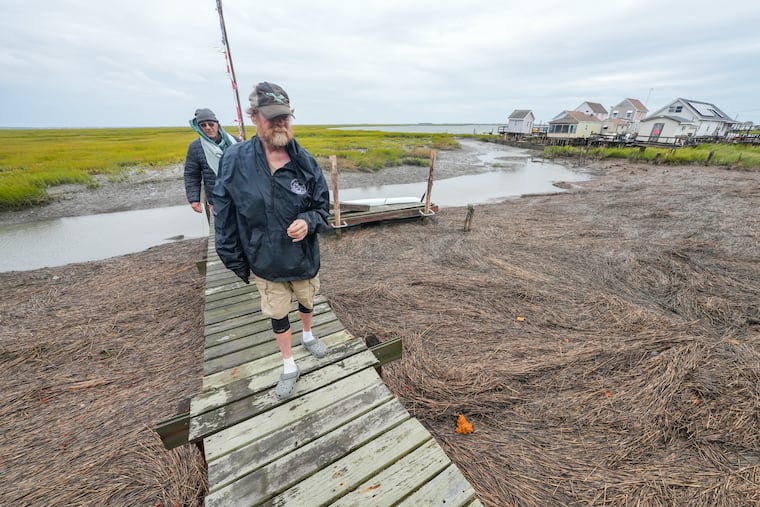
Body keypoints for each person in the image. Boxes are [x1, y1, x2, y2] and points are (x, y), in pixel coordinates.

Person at [212, 82, 331, 400]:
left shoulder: (304, 161)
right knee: (278, 313)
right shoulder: (234, 159)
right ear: (253, 117)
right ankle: (289, 364)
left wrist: (307, 222)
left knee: (307, 300)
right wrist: (236, 262)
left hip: (303, 257)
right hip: (263, 261)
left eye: (285, 117)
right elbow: (223, 216)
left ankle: (307, 334)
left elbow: (322, 209)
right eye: (271, 117)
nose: (280, 123)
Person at [183, 108, 238, 217]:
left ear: (217, 124)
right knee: (225, 230)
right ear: (198, 128)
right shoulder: (195, 147)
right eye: (203, 125)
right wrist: (194, 199)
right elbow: (192, 175)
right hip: (217, 198)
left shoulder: (235, 142)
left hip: (240, 194)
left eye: (211, 124)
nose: (208, 128)